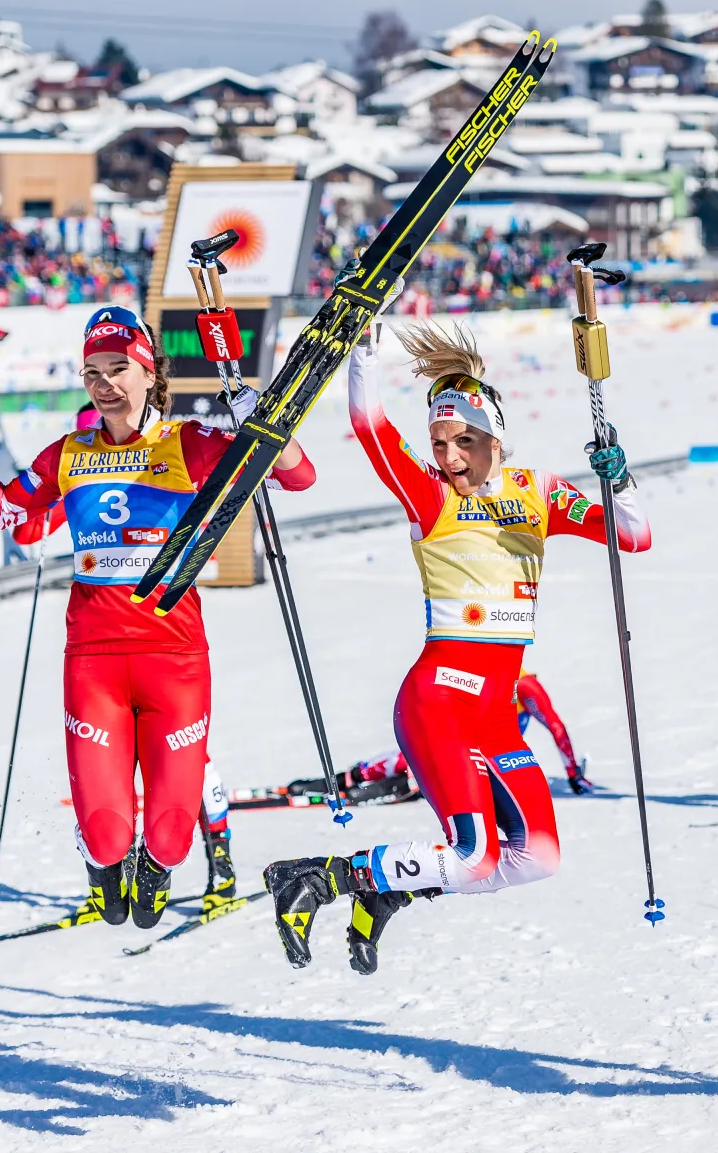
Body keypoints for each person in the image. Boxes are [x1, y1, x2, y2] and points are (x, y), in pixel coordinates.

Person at [264, 319, 651, 975]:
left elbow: (634, 537)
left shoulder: (540, 493)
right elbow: (367, 423)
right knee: (473, 854)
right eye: (438, 442)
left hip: (496, 714)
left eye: (461, 440)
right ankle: (318, 878)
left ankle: (387, 888)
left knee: (537, 858)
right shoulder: (430, 498)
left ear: (492, 435)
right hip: (439, 699)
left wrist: (619, 478)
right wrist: (366, 343)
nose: (447, 456)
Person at [0, 306, 315, 928]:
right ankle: (103, 868)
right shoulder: (68, 452)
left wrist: (263, 422)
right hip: (94, 665)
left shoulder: (189, 441)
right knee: (107, 836)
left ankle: (155, 874)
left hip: (175, 663)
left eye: (117, 368)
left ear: (147, 370)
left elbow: (298, 476)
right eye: (92, 372)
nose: (104, 384)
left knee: (170, 838)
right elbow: (10, 518)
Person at [323, 668, 592, 805]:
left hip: (478, 759)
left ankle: (364, 780)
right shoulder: (481, 674)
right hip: (460, 749)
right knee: (413, 758)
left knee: (422, 767)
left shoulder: (524, 684)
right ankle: (354, 777)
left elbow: (557, 727)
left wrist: (573, 774)